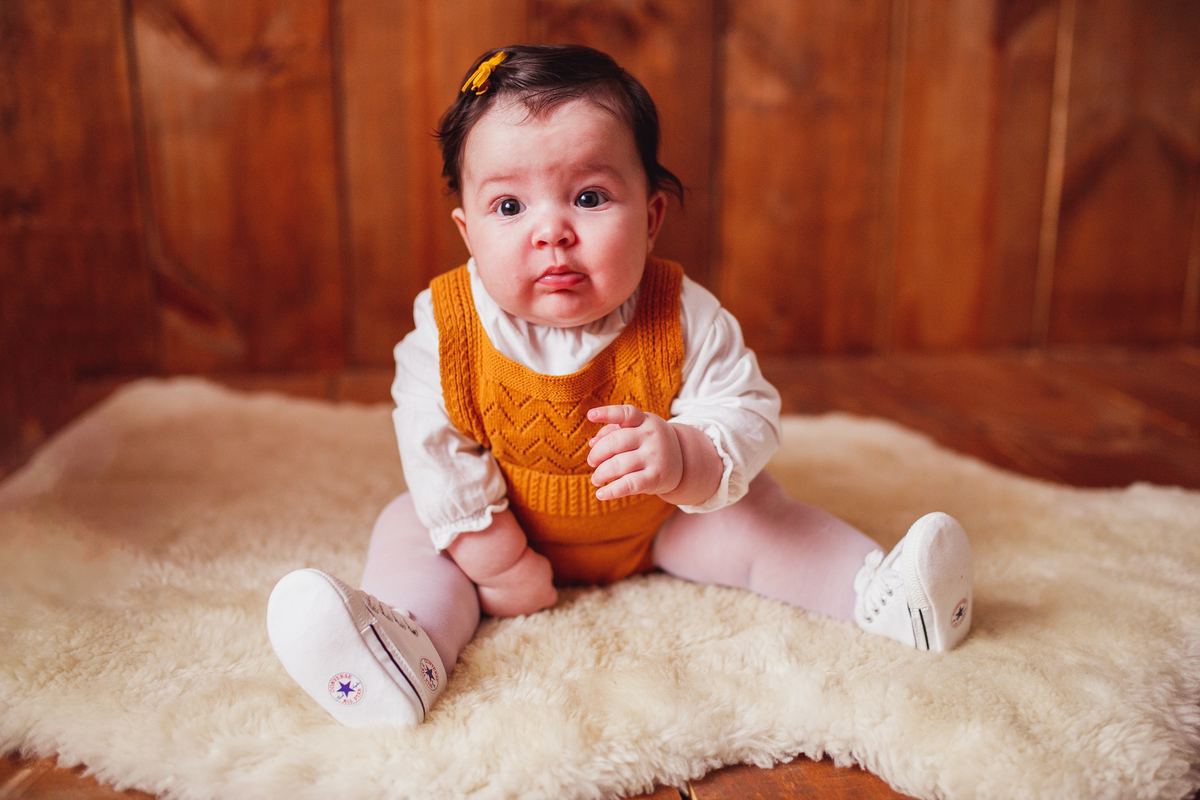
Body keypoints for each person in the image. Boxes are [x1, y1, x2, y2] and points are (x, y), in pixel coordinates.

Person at [267, 45, 973, 727]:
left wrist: (688, 456)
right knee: (412, 525)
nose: (553, 232)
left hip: (658, 525)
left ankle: (882, 597)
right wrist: (498, 559)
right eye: (510, 208)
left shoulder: (681, 312)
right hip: (503, 524)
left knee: (759, 515)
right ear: (468, 232)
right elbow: (432, 443)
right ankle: (406, 652)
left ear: (652, 216)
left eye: (590, 196)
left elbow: (746, 408)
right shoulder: (448, 326)